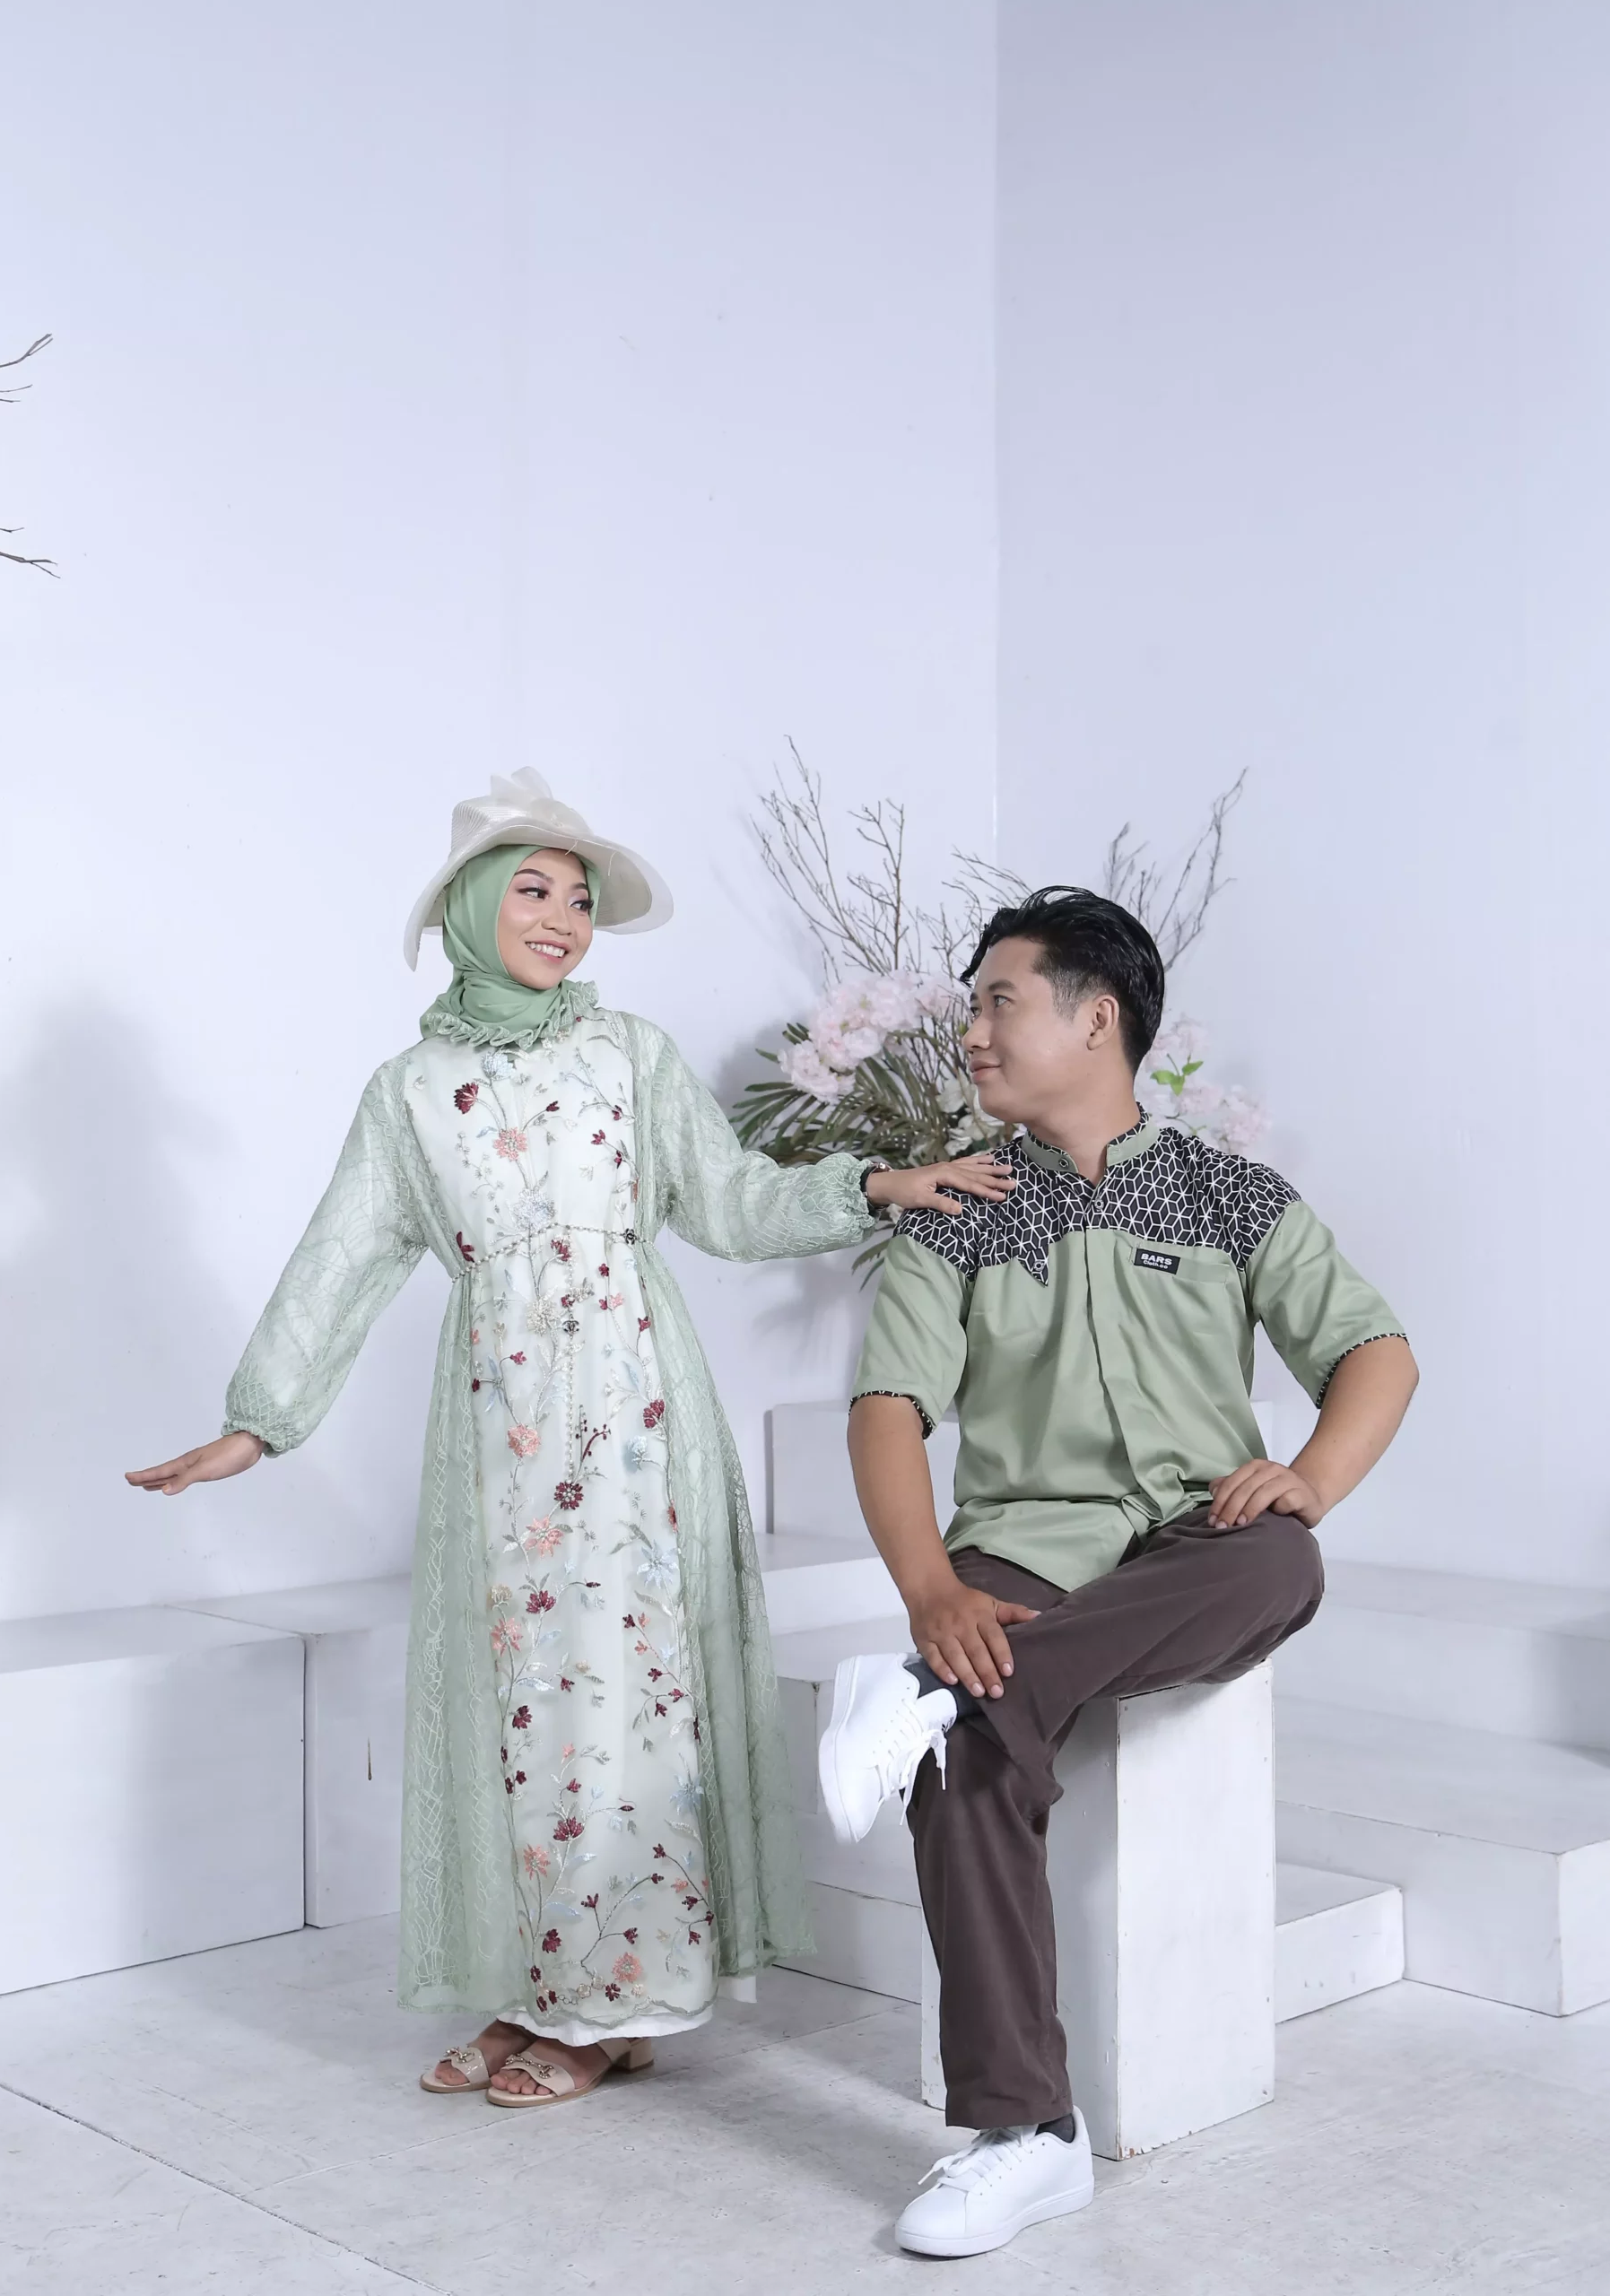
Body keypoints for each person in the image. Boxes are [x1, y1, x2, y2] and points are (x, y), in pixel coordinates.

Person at [127, 770, 1014, 2109]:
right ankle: (537, 1985)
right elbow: (343, 1256)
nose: (563, 919)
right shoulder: (409, 1091)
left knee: (622, 1699)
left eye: (581, 899)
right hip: (498, 1429)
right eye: (534, 889)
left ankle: (617, 2003)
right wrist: (260, 1422)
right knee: (521, 1706)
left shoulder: (629, 1056)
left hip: (635, 1417)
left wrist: (883, 1180)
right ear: (471, 906)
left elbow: (730, 1201)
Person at [817, 885, 1418, 2257]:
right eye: (972, 1006)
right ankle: (1028, 2136)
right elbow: (888, 1411)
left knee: (1281, 1564)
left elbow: (1374, 1351)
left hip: (1197, 1541)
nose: (972, 1032)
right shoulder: (957, 1213)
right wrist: (931, 1593)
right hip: (1023, 1545)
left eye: (998, 1001)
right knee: (968, 1752)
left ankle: (940, 1692)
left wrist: (1312, 1476)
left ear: (1098, 1020)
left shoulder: (1228, 1195)